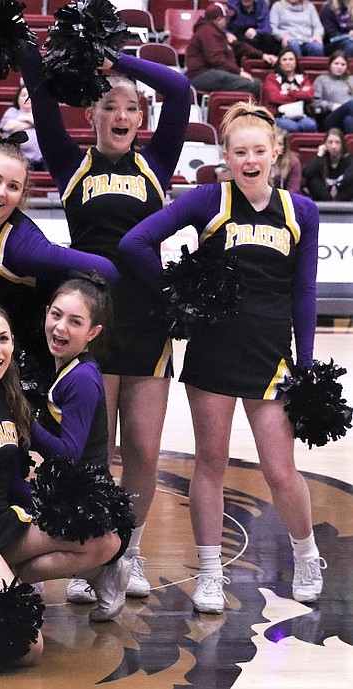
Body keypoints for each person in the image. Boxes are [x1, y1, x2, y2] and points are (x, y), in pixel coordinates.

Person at [120, 101, 323, 614]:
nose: (250, 159)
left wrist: (307, 360)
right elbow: (135, 242)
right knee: (209, 464)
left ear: (276, 154)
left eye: (259, 150)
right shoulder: (209, 200)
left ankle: (306, 555)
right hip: (213, 352)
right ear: (225, 157)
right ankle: (210, 574)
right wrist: (173, 295)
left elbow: (303, 291)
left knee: (281, 470)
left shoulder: (302, 211)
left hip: (273, 356)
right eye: (239, 152)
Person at [23, 47, 192, 603]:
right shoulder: (71, 164)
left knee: (143, 451)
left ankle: (128, 554)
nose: (121, 115)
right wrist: (30, 45)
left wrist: (112, 57)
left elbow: (180, 90)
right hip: (89, 326)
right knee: (95, 451)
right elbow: (41, 91)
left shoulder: (157, 163)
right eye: (109, 106)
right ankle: (85, 548)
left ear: (141, 119)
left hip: (148, 322)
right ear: (91, 116)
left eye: (131, 108)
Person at [0, 302, 129, 622]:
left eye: (3, 339)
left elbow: (11, 482)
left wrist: (52, 512)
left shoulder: (7, 397)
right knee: (21, 634)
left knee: (105, 540)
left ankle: (12, 580)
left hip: (4, 522)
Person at [0, 132, 119, 380]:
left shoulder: (24, 247)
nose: (1, 192)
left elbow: (107, 270)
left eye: (13, 186)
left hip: (18, 362)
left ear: (22, 193)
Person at [30, 277, 112, 472]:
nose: (60, 327)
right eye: (56, 315)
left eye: (75, 322)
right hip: (64, 489)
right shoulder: (62, 365)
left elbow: (68, 456)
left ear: (92, 332)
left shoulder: (82, 378)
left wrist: (23, 422)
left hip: (82, 498)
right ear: (46, 312)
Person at [188, 2, 274, 98]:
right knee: (253, 85)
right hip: (201, 75)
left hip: (212, 73)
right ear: (219, 20)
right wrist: (238, 72)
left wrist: (262, 55)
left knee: (255, 83)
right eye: (225, 18)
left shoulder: (217, 32)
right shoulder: (207, 32)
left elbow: (239, 47)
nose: (227, 20)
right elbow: (216, 59)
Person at [264, 49, 319, 132]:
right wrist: (299, 96)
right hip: (279, 116)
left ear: (296, 62)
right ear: (279, 63)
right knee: (293, 128)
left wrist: (289, 93)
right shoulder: (271, 78)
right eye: (284, 59)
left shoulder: (303, 78)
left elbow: (309, 95)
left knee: (310, 125)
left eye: (291, 59)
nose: (288, 62)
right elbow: (274, 98)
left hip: (301, 115)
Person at [0, 86, 44, 170]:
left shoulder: (41, 112)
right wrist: (34, 123)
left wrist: (21, 120)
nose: (27, 98)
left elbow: (46, 124)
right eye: (23, 95)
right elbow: (9, 127)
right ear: (18, 99)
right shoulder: (12, 111)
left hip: (42, 161)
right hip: (16, 158)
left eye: (30, 95)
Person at [303, 126, 353, 199]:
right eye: (330, 142)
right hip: (324, 197)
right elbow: (306, 173)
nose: (334, 146)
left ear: (342, 145)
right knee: (312, 178)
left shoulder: (349, 159)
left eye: (337, 142)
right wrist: (319, 155)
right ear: (325, 144)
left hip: (343, 199)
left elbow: (349, 177)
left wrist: (337, 186)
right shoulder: (320, 160)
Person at [311, 51, 353, 132]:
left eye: (343, 64)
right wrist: (331, 106)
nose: (339, 67)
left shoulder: (351, 80)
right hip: (330, 118)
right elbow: (315, 104)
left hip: (348, 117)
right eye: (336, 63)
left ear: (347, 67)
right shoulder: (321, 80)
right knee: (351, 104)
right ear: (330, 65)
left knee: (349, 120)